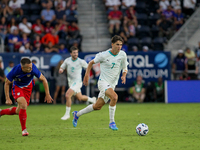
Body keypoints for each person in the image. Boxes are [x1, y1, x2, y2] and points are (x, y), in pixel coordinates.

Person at [72, 35, 129, 131]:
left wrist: (124, 75)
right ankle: (112, 122)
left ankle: (77, 114)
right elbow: (90, 63)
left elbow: (125, 67)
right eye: (117, 44)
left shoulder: (122, 54)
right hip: (103, 83)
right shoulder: (104, 55)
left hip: (112, 85)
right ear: (112, 44)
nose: (119, 47)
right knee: (114, 97)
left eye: (120, 45)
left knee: (97, 106)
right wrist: (86, 76)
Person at [0, 58, 53, 136]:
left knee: (19, 111)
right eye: (28, 67)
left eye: (31, 66)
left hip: (28, 87)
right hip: (18, 87)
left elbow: (44, 79)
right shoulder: (15, 70)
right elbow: (7, 83)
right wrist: (7, 98)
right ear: (22, 68)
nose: (31, 68)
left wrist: (47, 94)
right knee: (24, 105)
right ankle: (24, 130)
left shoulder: (33, 68)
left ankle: (1, 112)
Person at [59, 46, 96, 120]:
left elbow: (89, 67)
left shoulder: (81, 61)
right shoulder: (67, 61)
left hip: (78, 82)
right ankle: (92, 100)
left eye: (77, 52)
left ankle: (67, 115)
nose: (76, 54)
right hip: (71, 82)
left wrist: (87, 76)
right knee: (80, 97)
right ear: (71, 53)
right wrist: (61, 69)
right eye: (74, 53)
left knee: (67, 95)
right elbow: (62, 67)